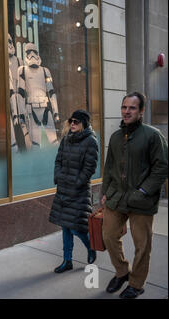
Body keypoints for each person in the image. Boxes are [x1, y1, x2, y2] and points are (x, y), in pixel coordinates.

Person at [101, 92, 168, 299]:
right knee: (109, 236)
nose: (126, 111)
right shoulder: (115, 137)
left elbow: (162, 167)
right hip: (116, 197)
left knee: (142, 246)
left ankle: (137, 284)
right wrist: (104, 193)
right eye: (124, 107)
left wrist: (143, 191)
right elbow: (109, 167)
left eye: (131, 108)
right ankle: (122, 272)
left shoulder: (153, 135)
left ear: (141, 111)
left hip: (142, 200)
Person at [49, 110, 99, 273]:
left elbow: (90, 167)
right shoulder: (66, 139)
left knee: (77, 227)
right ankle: (67, 260)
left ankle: (91, 247)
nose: (72, 124)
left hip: (78, 191)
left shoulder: (90, 141)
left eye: (76, 122)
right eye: (71, 121)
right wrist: (58, 176)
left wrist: (77, 183)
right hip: (63, 189)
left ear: (83, 124)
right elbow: (58, 160)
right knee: (65, 226)